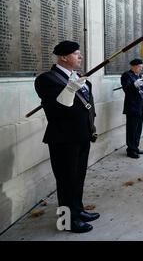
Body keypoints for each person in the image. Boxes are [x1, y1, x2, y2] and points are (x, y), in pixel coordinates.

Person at [34, 41, 99, 233]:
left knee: (78, 177)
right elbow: (57, 109)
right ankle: (66, 221)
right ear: (64, 57)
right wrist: (70, 89)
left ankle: (77, 211)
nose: (80, 57)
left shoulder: (79, 77)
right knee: (65, 180)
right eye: (76, 54)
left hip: (82, 136)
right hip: (63, 138)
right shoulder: (47, 79)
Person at [121, 59, 143, 159]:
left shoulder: (139, 76)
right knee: (131, 129)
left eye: (141, 66)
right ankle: (130, 150)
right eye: (139, 66)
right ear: (133, 66)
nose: (141, 68)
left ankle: (135, 147)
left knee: (138, 129)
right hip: (132, 107)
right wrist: (133, 85)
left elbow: (142, 93)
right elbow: (126, 89)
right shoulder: (126, 75)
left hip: (140, 107)